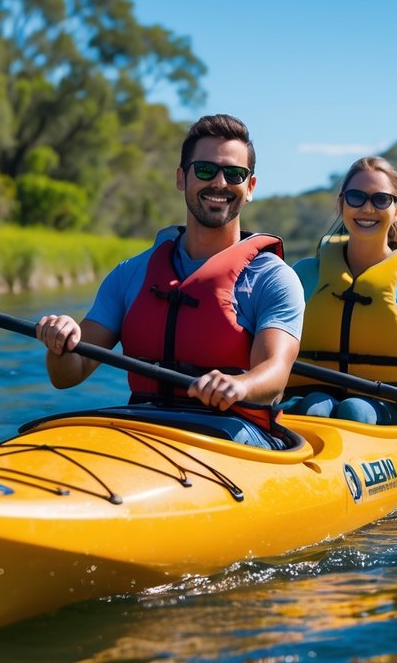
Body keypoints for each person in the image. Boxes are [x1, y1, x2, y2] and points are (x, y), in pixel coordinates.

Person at [35, 114, 304, 447]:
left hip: (235, 433)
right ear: (182, 178)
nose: (219, 183)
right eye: (205, 170)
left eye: (234, 174)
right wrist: (59, 344)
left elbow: (275, 375)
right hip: (146, 424)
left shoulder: (274, 279)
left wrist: (241, 386)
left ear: (249, 188)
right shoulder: (130, 274)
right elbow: (68, 375)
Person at [284, 156, 397, 424]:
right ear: (341, 204)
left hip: (388, 403)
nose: (367, 208)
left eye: (380, 199)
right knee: (314, 408)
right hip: (308, 400)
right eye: (356, 197)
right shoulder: (304, 274)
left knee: (355, 410)